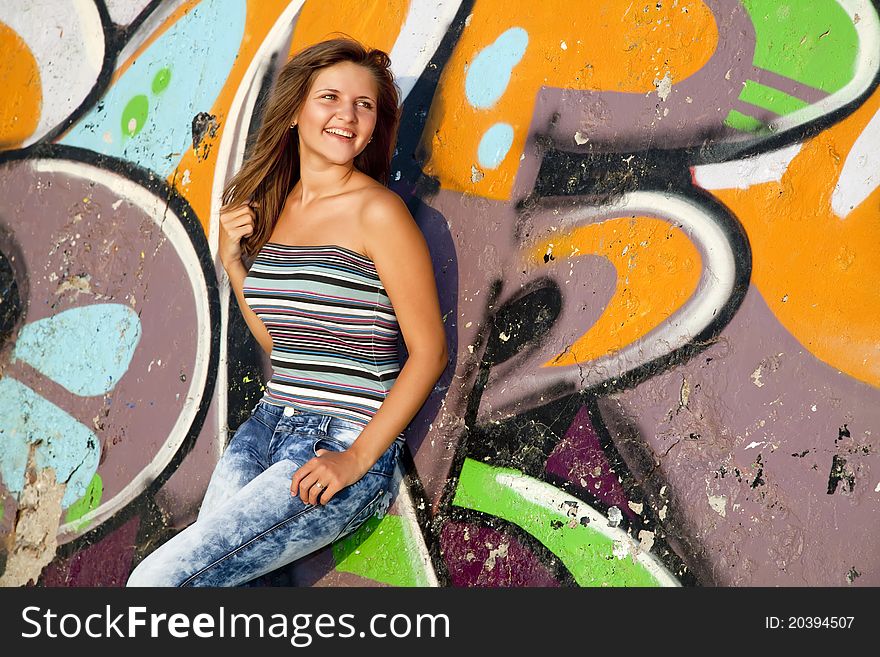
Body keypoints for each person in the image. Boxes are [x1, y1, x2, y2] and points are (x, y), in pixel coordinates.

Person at [127, 37, 447, 586]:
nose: (346, 115)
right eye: (330, 97)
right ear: (297, 109)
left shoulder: (379, 212)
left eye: (363, 105)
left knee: (157, 582)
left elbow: (429, 353)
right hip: (267, 425)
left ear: (374, 124)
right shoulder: (278, 210)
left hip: (341, 438)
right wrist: (233, 262)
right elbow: (285, 347)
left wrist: (356, 460)